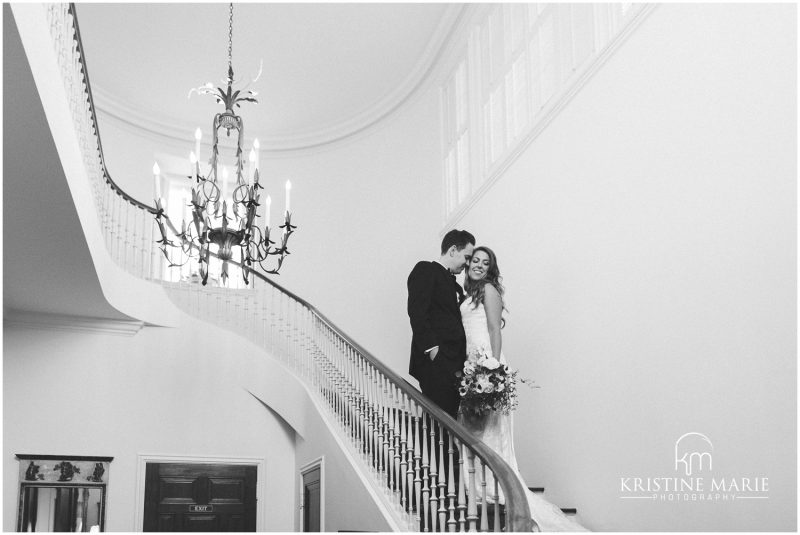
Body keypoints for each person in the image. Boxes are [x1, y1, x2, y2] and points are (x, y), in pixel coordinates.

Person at [459, 246, 587, 531]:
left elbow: (494, 329)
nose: (479, 265)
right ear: (468, 265)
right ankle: (480, 489)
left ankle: (498, 490)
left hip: (486, 364)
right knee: (473, 429)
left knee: (489, 430)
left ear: (491, 268)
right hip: (472, 366)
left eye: (485, 262)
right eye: (475, 261)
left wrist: (491, 369)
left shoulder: (489, 290)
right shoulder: (469, 294)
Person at [407, 229, 475, 419]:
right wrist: (433, 351)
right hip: (436, 362)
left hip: (456, 365)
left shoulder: (457, 287)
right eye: (467, 257)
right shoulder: (425, 269)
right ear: (453, 250)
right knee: (438, 420)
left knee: (451, 419)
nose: (468, 264)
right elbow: (417, 312)